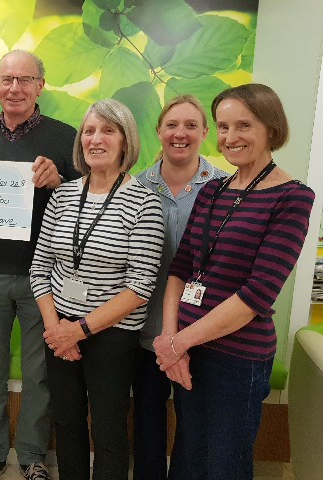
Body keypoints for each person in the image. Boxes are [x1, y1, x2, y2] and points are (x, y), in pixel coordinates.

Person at [154, 83, 315, 479]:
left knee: (223, 464)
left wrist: (177, 343)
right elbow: (181, 268)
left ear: (272, 129)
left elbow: (258, 293)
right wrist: (173, 339)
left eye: (244, 126)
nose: (230, 137)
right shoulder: (213, 190)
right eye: (223, 127)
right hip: (189, 352)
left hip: (236, 359)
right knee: (188, 457)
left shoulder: (292, 197)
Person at [31, 98, 164, 480]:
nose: (96, 138)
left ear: (126, 141)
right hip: (59, 330)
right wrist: (58, 329)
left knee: (107, 431)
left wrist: (81, 329)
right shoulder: (63, 195)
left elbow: (140, 286)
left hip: (111, 334)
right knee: (67, 423)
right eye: (89, 130)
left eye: (108, 130)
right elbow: (40, 268)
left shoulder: (144, 202)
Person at [0, 49, 79, 480]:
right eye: (6, 79)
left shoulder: (67, 138)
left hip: (44, 279)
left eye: (24, 79)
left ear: (40, 86)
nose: (14, 88)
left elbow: (87, 207)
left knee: (39, 373)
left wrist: (59, 182)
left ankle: (31, 459)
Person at [132, 95, 228, 480]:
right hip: (144, 329)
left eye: (191, 126)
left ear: (205, 133)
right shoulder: (136, 188)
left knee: (192, 426)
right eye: (172, 125)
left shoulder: (225, 189)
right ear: (159, 131)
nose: (180, 133)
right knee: (147, 420)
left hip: (200, 332)